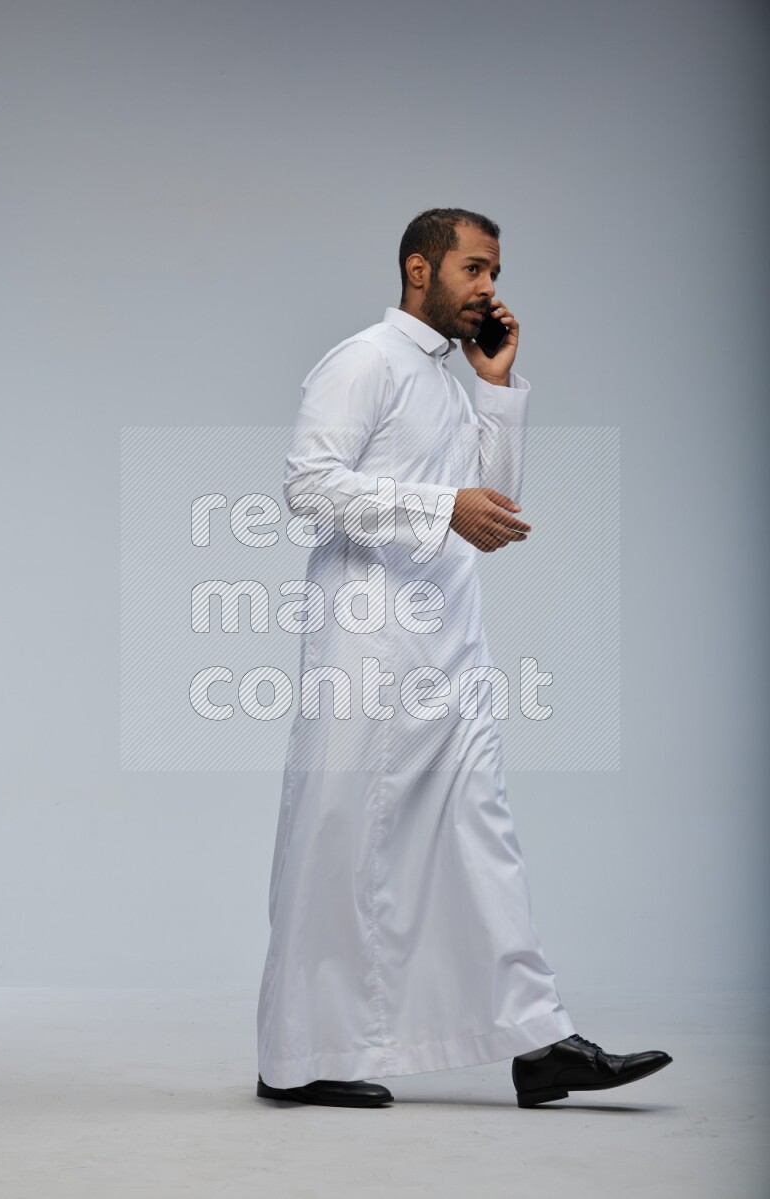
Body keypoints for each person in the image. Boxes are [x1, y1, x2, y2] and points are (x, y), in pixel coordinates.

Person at [255, 207, 672, 1109]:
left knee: (482, 835)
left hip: (449, 642)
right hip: (365, 646)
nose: (490, 287)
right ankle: (299, 1055)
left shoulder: (449, 377)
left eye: (493, 270)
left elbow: (496, 508)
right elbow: (308, 487)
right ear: (419, 267)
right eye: (474, 269)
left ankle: (539, 1040)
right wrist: (441, 507)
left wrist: (498, 386)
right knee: (340, 841)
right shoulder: (363, 360)